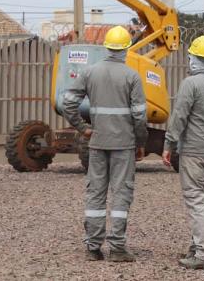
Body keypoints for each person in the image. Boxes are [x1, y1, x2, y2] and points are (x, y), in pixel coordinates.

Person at [63, 25, 148, 262]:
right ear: (126, 49)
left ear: (106, 48)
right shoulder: (132, 76)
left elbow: (68, 103)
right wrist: (140, 142)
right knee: (121, 194)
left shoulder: (90, 72)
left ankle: (93, 246)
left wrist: (83, 128)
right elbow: (140, 116)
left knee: (95, 194)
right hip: (124, 145)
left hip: (98, 142)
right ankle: (118, 248)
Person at [162, 36, 204, 271]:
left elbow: (179, 117)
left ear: (193, 59)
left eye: (189, 56)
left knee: (195, 201)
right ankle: (198, 245)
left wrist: (168, 145)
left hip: (193, 152)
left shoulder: (189, 85)